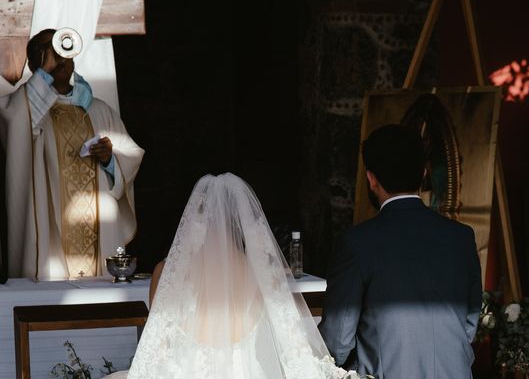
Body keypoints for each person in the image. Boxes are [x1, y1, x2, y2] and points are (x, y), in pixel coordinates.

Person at [105, 173, 361, 379]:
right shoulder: (263, 276)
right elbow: (286, 341)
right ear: (241, 223)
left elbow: (157, 346)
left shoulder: (165, 272)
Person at [319, 124, 482, 379]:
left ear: (371, 179)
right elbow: (469, 322)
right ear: (424, 173)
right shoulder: (461, 236)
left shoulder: (356, 242)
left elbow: (338, 340)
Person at [0, 28, 144, 280]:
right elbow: (16, 130)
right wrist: (44, 74)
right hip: (50, 238)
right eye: (47, 51)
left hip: (97, 227)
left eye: (61, 50)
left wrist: (111, 160)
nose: (58, 58)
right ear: (34, 63)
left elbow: (130, 154)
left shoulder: (99, 110)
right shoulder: (23, 109)